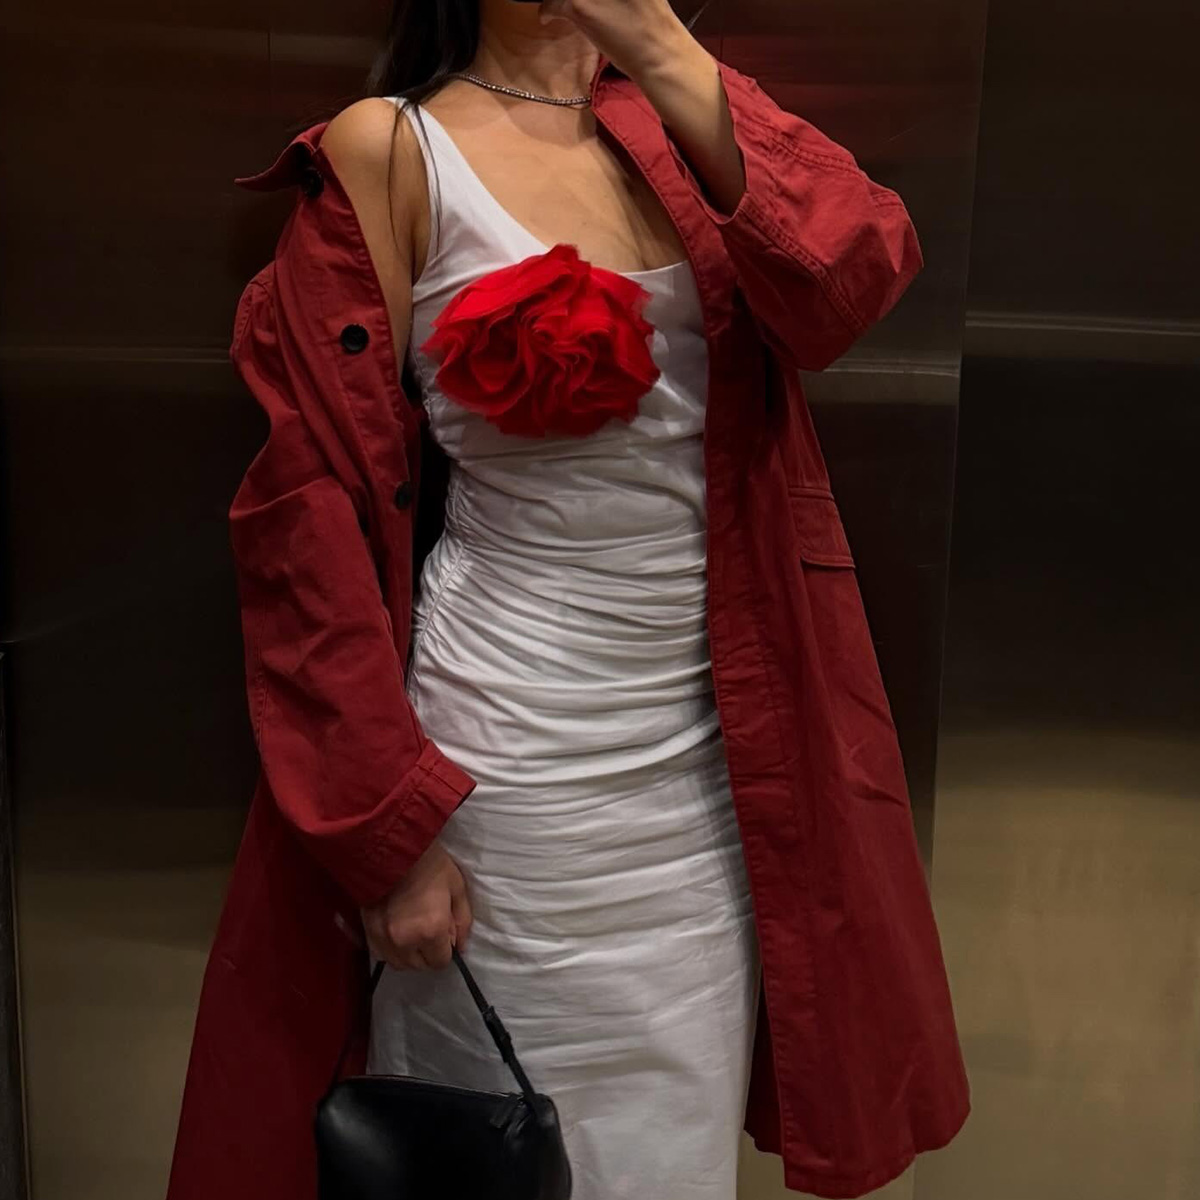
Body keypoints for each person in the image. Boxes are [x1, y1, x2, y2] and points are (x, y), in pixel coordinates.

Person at [168, 2, 971, 1198]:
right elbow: (306, 516)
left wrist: (660, 48)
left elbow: (853, 279)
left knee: (667, 1159)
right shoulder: (393, 148)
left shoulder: (691, 124)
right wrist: (385, 834)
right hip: (500, 772)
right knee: (498, 1151)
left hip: (712, 779)